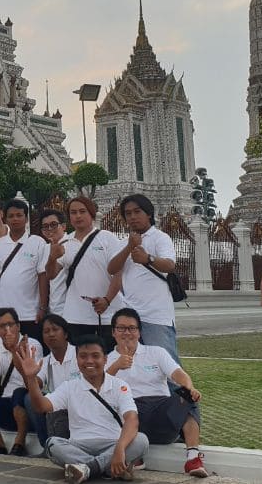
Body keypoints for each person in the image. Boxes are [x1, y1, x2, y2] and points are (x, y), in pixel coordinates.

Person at [17, 334, 149, 483]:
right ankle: (107, 468)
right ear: (77, 359)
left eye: (95, 356)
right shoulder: (69, 386)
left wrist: (119, 449)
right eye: (83, 356)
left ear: (105, 359)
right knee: (52, 444)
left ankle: (86, 469)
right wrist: (31, 378)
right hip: (79, 447)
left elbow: (132, 420)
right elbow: (41, 407)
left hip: (112, 444)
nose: (89, 361)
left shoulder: (120, 385)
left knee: (141, 440)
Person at [105, 308, 207, 477]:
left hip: (160, 412)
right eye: (121, 328)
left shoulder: (155, 352)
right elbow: (98, 391)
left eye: (132, 328)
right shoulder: (107, 359)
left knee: (189, 396)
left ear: (139, 332)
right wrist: (116, 366)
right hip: (129, 418)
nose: (127, 333)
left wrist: (189, 387)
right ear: (113, 332)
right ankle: (133, 455)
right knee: (118, 406)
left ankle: (193, 458)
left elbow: (178, 374)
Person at [108, 194, 182, 366]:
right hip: (130, 314)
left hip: (156, 315)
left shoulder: (160, 238)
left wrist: (148, 258)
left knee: (166, 365)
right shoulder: (122, 243)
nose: (132, 217)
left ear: (148, 213)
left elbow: (170, 265)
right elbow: (112, 269)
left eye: (137, 211)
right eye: (128, 214)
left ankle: (180, 394)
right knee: (132, 364)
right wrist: (129, 246)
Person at [48, 197, 126, 346]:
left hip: (107, 314)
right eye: (73, 212)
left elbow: (118, 274)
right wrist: (52, 258)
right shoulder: (65, 242)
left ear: (91, 214)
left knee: (109, 361)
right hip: (75, 316)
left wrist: (107, 300)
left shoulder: (107, 238)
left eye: (82, 211)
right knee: (80, 362)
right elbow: (51, 274)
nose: (78, 216)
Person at [0, 307, 44, 456]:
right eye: (2, 326)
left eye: (11, 324)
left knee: (19, 393)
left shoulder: (32, 344)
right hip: (7, 406)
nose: (7, 330)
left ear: (18, 326)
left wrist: (13, 351)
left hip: (28, 405)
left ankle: (20, 443)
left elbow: (30, 380)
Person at [0, 199, 49, 342]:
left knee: (30, 354)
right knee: (5, 355)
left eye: (19, 215)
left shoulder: (37, 242)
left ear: (26, 218)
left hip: (30, 314)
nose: (15, 219)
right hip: (3, 313)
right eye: (11, 216)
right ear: (5, 218)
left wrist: (43, 307)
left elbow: (42, 276)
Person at [25, 313, 77, 447]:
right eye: (46, 331)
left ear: (65, 334)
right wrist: (29, 375)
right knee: (30, 398)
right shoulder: (45, 361)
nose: (51, 334)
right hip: (56, 409)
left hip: (80, 404)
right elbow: (36, 384)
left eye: (55, 329)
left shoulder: (80, 354)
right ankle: (48, 447)